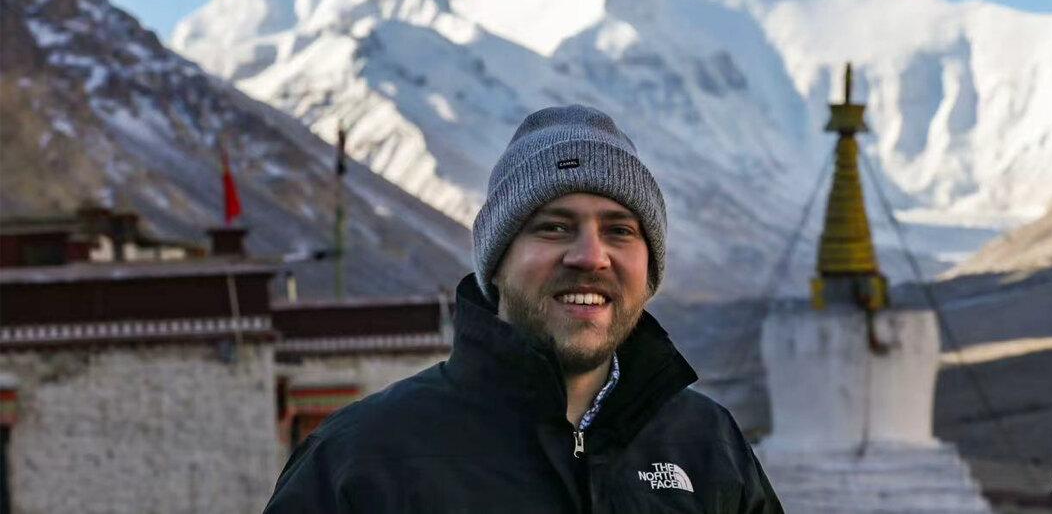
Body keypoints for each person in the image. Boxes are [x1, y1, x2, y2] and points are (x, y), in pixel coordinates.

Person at [264, 104, 783, 513]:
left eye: (619, 230)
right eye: (553, 227)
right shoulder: (363, 459)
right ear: (496, 262)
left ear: (650, 270)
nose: (589, 257)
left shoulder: (710, 448)